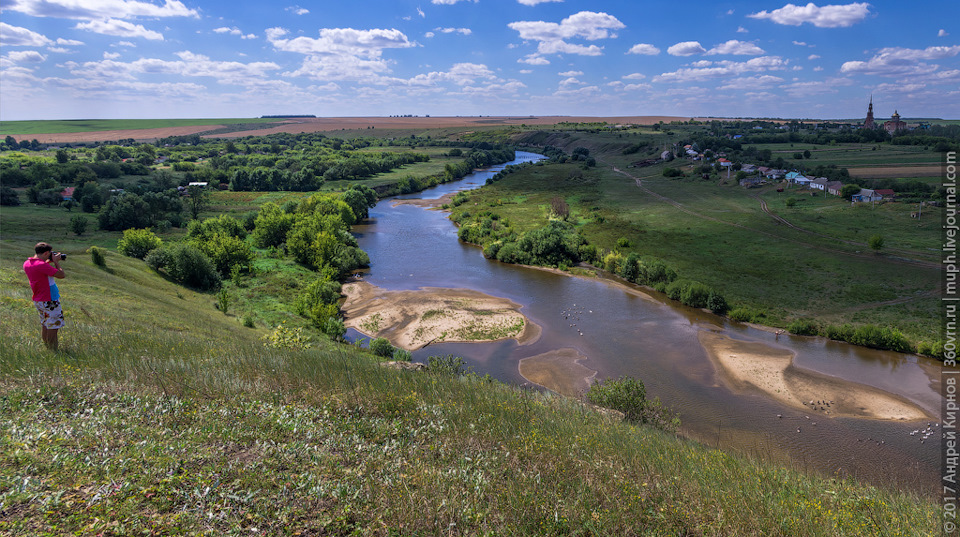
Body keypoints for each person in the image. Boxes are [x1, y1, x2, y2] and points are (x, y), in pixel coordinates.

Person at [24, 242, 66, 350]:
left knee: (45, 324)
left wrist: (48, 261)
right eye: (49, 254)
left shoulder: (28, 263)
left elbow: (41, 269)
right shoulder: (41, 265)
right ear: (46, 252)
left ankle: (47, 347)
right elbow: (61, 275)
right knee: (54, 325)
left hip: (39, 299)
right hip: (50, 299)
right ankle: (53, 349)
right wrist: (56, 262)